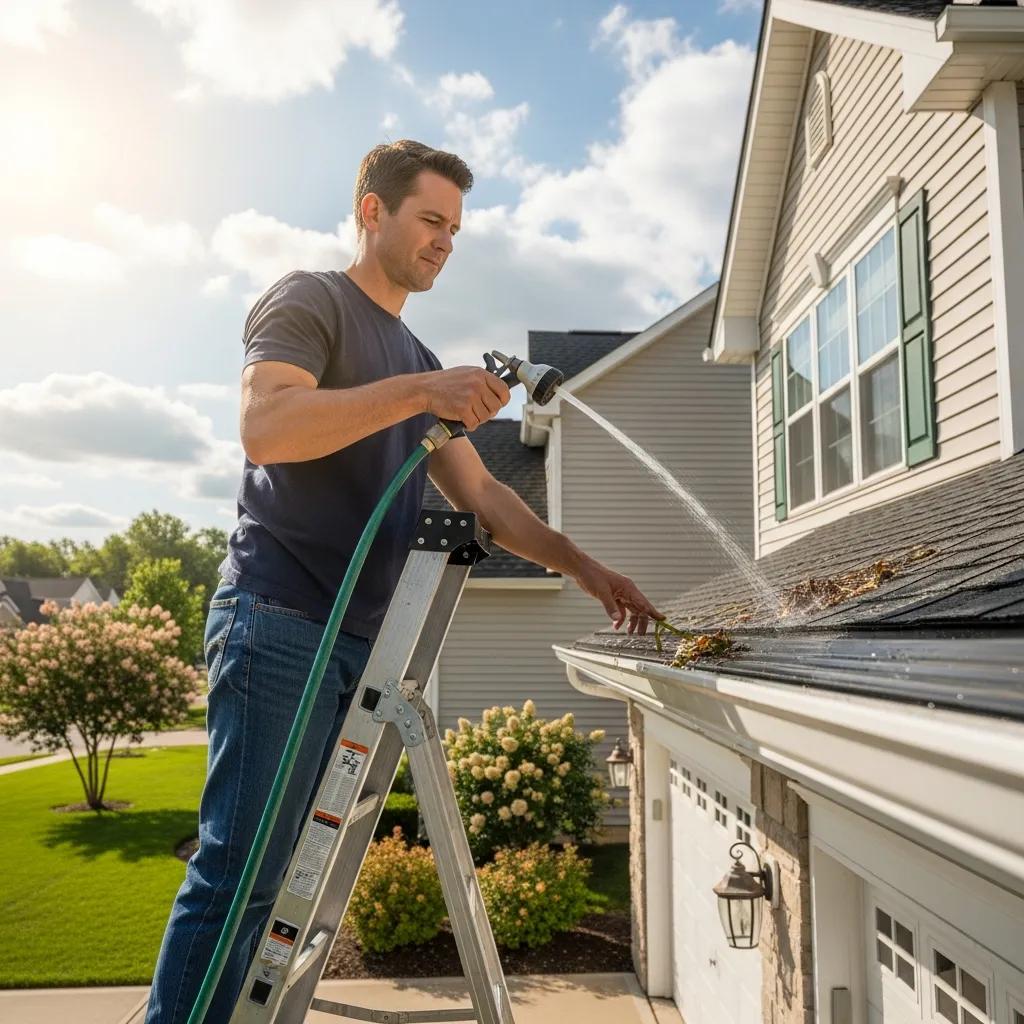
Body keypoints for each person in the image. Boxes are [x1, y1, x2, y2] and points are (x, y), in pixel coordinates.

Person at [145, 139, 664, 1023]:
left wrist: (587, 568)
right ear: (372, 211)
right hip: (278, 617)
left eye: (455, 229)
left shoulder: (413, 350)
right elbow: (267, 427)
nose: (445, 243)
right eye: (431, 220)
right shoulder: (312, 300)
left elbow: (486, 495)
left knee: (282, 882)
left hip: (357, 638)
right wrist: (423, 389)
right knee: (238, 873)